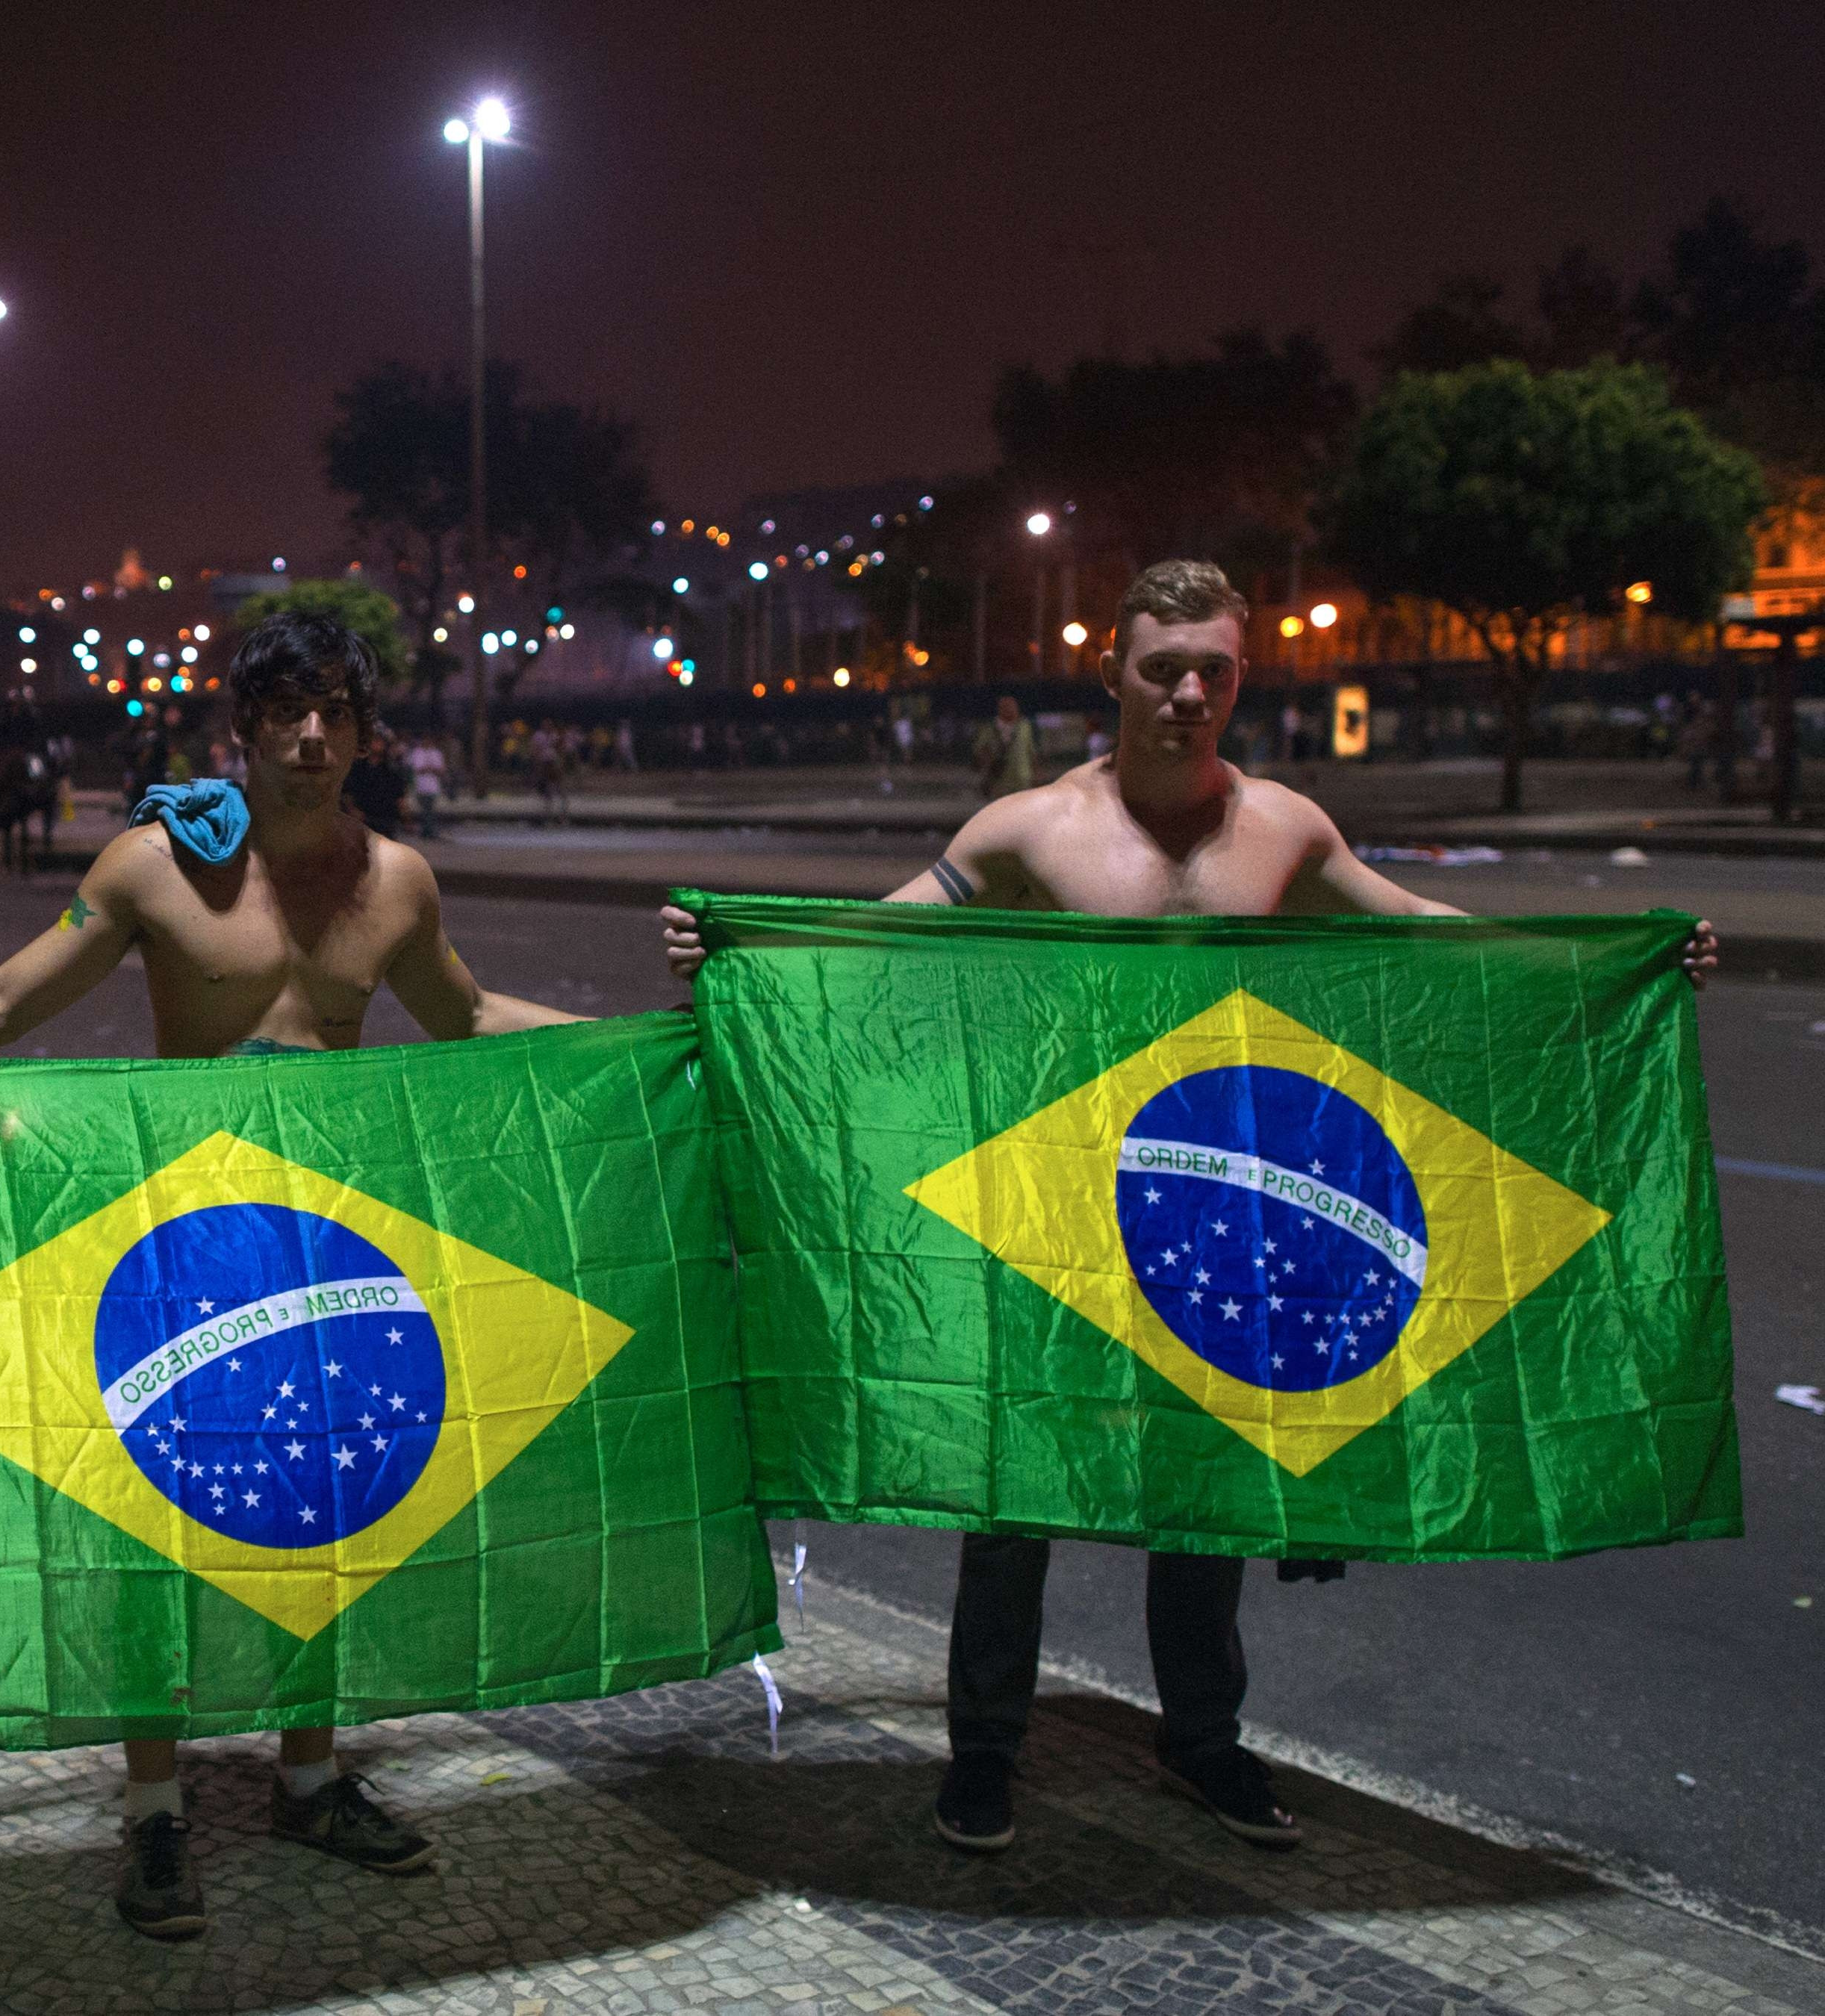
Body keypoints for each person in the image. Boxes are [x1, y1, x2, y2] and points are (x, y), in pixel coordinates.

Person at [662, 559, 1716, 1856]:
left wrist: (1611, 964)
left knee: (1208, 1488)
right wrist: (737, 948)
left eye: (1213, 668)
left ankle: (1202, 1742)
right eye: (1163, 668)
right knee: (1015, 1489)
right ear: (1113, 672)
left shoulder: (1283, 828)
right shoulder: (1030, 829)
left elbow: (1421, 930)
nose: (1188, 693)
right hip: (1052, 1205)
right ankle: (984, 1754)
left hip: (1211, 1211)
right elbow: (872, 941)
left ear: (1240, 676)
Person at [0, 609, 580, 1941]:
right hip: (181, 1253)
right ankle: (156, 1814)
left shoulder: (395, 882)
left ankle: (310, 1776)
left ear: (361, 734)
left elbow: (468, 1017)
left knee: (320, 1511)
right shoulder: (154, 869)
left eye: (335, 713)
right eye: (285, 710)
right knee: (152, 1537)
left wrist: (664, 1036)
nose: (310, 735)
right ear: (240, 727)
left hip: (329, 1247)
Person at [971, 695, 1035, 800]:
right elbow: (980, 749)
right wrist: (986, 764)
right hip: (999, 778)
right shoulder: (990, 728)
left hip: (1022, 777)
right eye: (1007, 707)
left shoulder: (1024, 726)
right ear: (1000, 709)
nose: (1011, 710)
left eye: (1014, 707)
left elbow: (1031, 750)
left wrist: (1036, 772)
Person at [406, 732, 448, 839]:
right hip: (421, 786)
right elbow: (416, 769)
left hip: (433, 787)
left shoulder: (436, 753)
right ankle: (427, 831)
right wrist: (429, 769)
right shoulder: (417, 753)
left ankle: (428, 831)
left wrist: (430, 769)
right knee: (424, 810)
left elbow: (441, 770)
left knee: (430, 810)